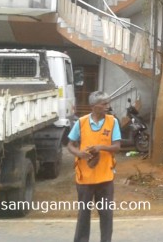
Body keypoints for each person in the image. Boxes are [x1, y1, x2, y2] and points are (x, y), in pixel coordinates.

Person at [67, 91, 121, 242]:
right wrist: (79, 153)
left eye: (108, 103)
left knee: (106, 215)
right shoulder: (82, 122)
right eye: (104, 104)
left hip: (105, 177)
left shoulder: (112, 122)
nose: (107, 106)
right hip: (85, 178)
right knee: (83, 214)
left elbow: (117, 146)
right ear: (94, 106)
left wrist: (100, 147)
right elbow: (70, 145)